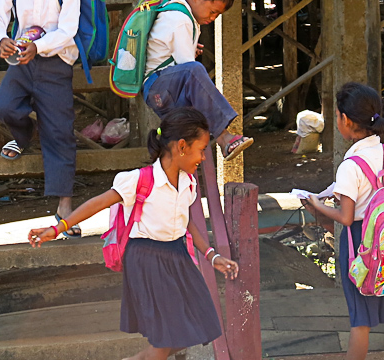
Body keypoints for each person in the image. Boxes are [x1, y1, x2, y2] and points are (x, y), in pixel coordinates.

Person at [28, 107, 237, 360]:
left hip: (177, 257)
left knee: (200, 325)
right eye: (202, 149)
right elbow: (98, 202)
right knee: (165, 340)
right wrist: (57, 228)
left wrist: (212, 255)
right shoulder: (139, 180)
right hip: (147, 259)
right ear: (182, 146)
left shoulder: (188, 183)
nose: (203, 157)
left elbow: (187, 222)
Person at [302, 83, 384, 360]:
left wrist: (317, 205)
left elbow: (346, 216)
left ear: (346, 120)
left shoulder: (350, 166)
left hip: (359, 241)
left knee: (360, 320)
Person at [0, 0, 81, 229]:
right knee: (4, 106)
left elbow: (68, 29)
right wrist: (2, 39)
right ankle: (24, 135)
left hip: (55, 64)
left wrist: (40, 48)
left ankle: (64, 204)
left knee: (61, 132)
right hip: (21, 63)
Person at [142, 0, 253, 162]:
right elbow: (188, 68)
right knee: (195, 71)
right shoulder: (181, 20)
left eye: (217, 15)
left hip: (163, 89)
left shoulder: (180, 10)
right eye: (212, 12)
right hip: (159, 89)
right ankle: (224, 138)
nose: (212, 18)